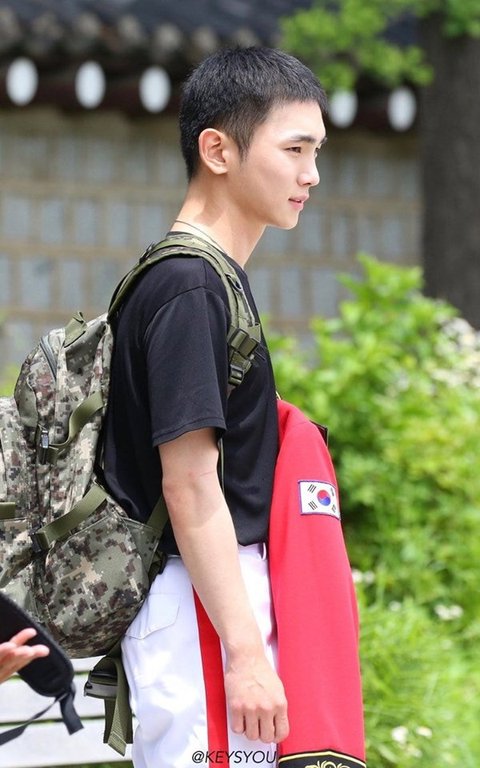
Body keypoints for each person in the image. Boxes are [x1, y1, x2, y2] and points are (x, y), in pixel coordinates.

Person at [103, 46, 327, 768]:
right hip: (204, 609)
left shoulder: (201, 280)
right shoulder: (190, 286)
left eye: (316, 152)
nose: (311, 174)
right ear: (218, 150)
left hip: (209, 603)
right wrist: (245, 655)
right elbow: (191, 484)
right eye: (294, 149)